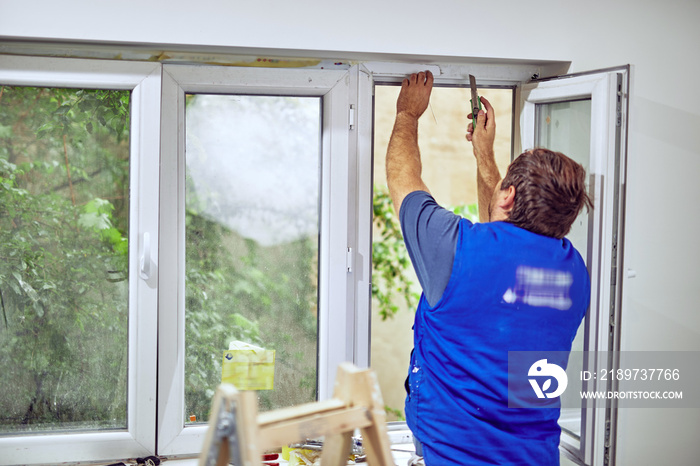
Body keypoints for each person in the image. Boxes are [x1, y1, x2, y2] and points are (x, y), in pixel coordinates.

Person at [386, 70, 593, 465]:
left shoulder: (456, 249)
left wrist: (408, 116)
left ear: (509, 195)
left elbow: (404, 179)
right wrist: (484, 155)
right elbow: (507, 236)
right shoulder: (574, 274)